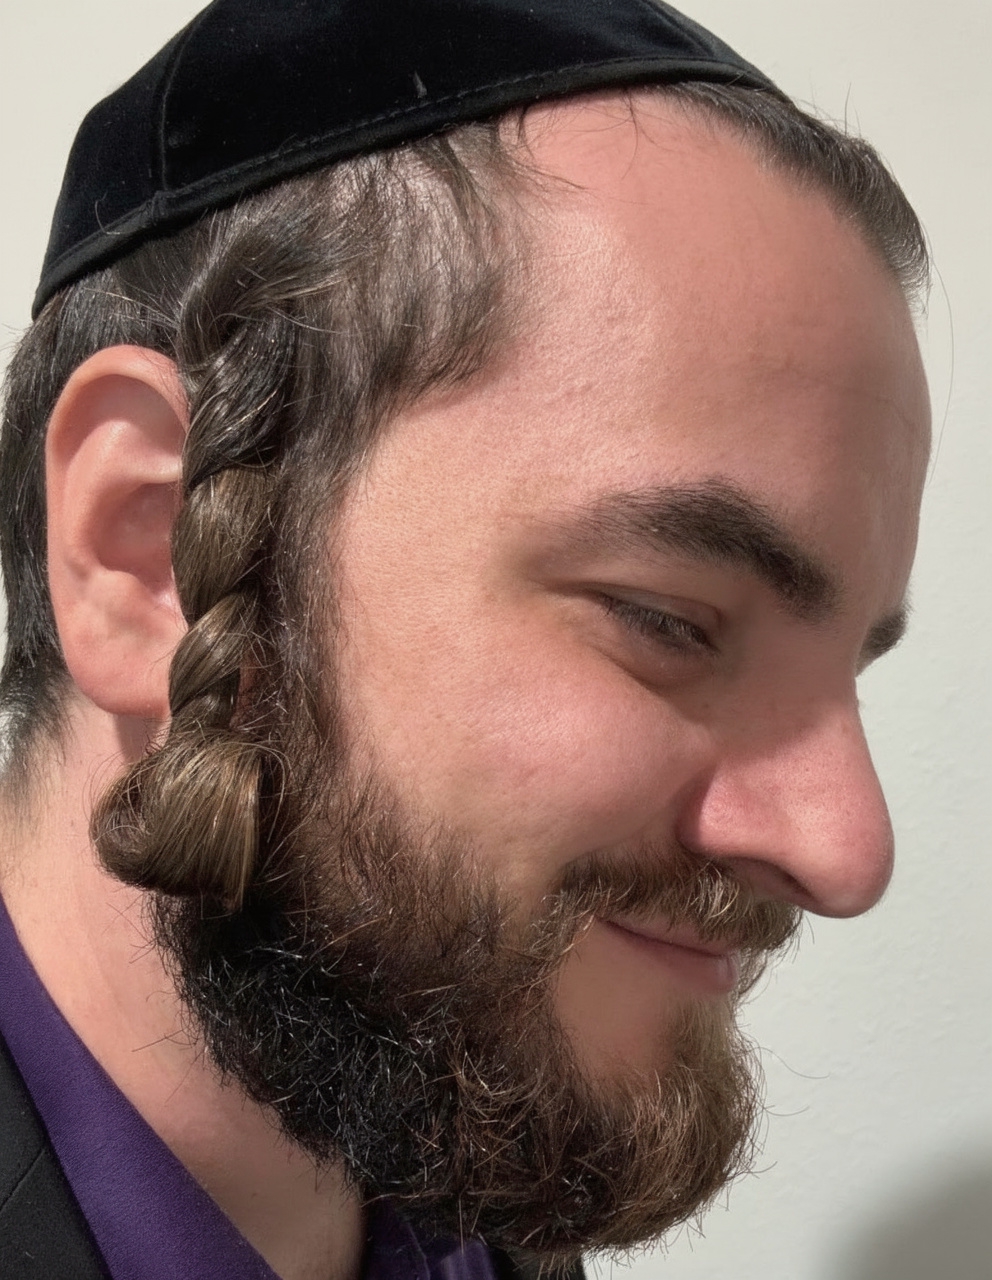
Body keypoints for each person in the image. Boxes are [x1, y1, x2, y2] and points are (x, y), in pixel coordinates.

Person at [0, 1, 932, 1278]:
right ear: (145, 550)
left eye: (846, 675)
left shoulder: (454, 1130)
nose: (845, 849)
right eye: (667, 620)